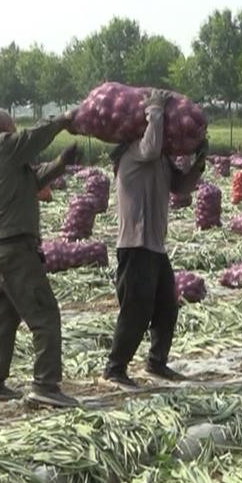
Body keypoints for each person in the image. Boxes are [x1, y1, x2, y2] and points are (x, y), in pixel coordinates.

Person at [0, 107, 81, 407]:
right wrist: (62, 120)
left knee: (3, 316)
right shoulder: (4, 146)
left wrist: (61, 163)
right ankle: (46, 385)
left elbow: (33, 183)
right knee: (45, 314)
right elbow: (34, 138)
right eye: (13, 125)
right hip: (14, 249)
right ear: (6, 128)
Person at [102, 89, 209, 390]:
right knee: (136, 309)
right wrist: (156, 109)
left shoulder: (161, 160)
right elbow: (150, 147)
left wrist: (198, 162)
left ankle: (156, 361)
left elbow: (182, 187)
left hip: (155, 246)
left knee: (166, 306)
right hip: (135, 244)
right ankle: (115, 368)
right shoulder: (133, 152)